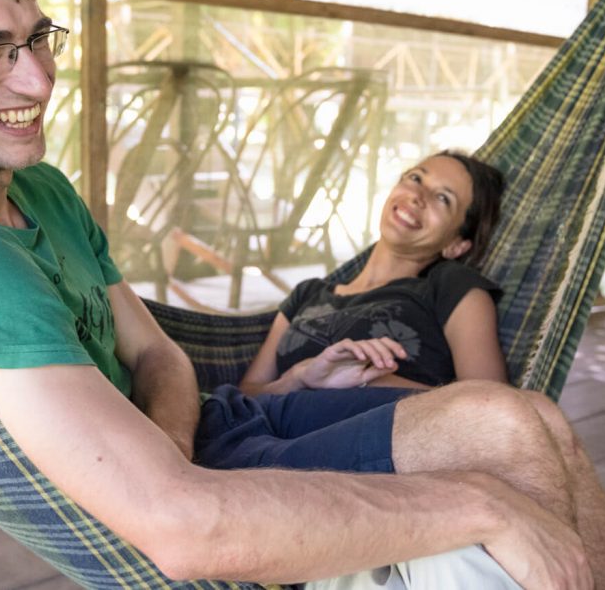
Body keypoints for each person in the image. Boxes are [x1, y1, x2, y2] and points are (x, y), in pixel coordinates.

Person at [0, 0, 605, 588]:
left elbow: (161, 356)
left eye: (35, 38)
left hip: (225, 425)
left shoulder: (43, 194)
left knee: (522, 417)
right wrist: (484, 509)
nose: (36, 80)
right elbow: (179, 527)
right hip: (212, 476)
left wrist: (176, 440)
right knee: (503, 451)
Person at [195, 152, 510, 474]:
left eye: (443, 198)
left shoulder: (448, 285)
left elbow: (490, 409)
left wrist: (364, 381)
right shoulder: (309, 292)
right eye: (415, 178)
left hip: (360, 444)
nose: (418, 196)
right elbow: (249, 392)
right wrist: (301, 377)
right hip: (253, 433)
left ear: (456, 246)